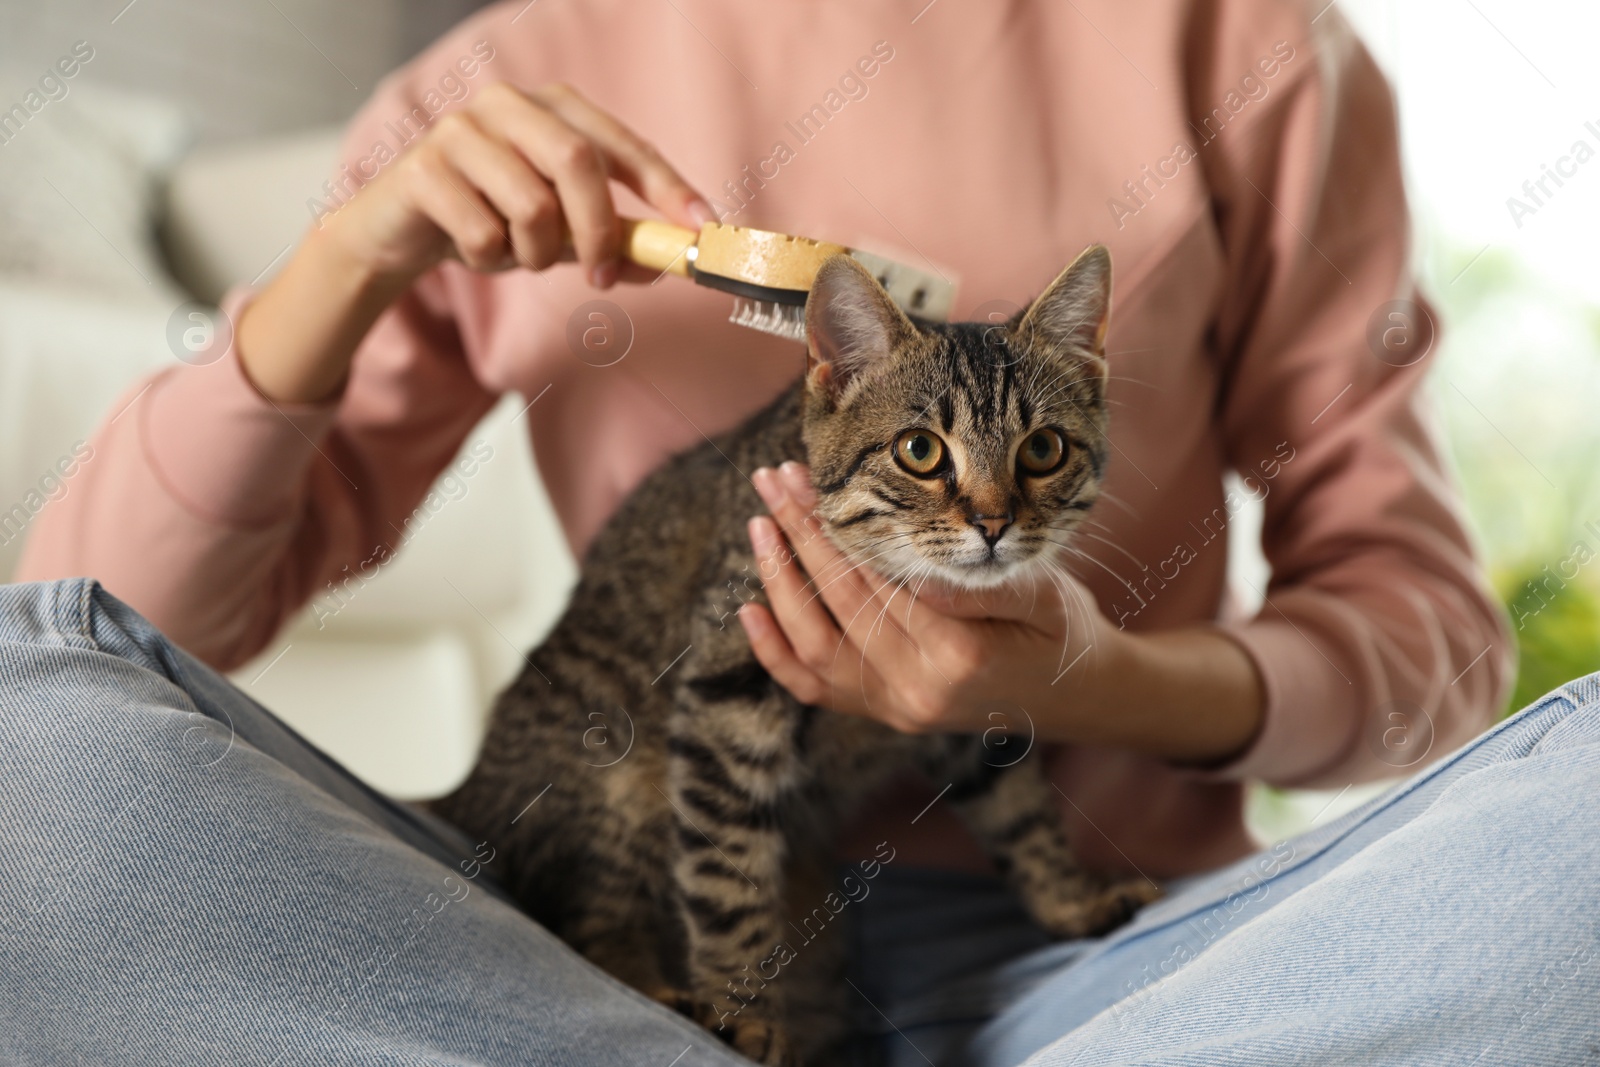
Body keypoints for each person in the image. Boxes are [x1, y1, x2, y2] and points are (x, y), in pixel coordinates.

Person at [9, 0, 1570, 1062]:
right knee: (31, 778)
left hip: (1111, 983)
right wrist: (342, 260)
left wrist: (1093, 682)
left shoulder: (1246, 45)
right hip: (595, 944)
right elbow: (74, 641)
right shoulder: (515, 73)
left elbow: (1432, 647)